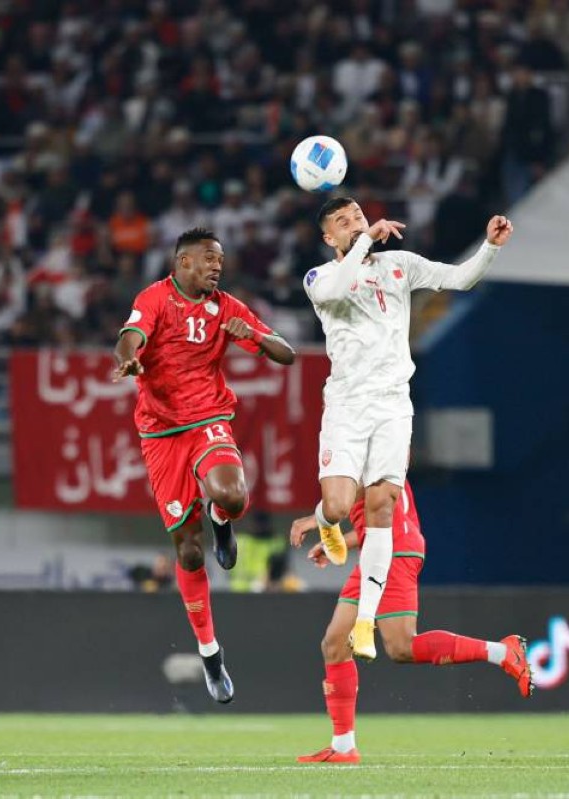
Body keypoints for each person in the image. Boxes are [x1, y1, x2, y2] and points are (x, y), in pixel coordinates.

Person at [304, 197, 512, 661]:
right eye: (343, 222)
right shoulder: (319, 277)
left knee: (381, 506)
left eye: (358, 216)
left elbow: (459, 278)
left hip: (394, 405)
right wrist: (363, 243)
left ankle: (364, 623)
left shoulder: (398, 264)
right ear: (329, 238)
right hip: (347, 406)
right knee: (338, 506)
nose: (355, 224)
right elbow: (338, 290)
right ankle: (325, 522)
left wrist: (490, 248)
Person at [114, 227, 295, 703]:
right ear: (183, 263)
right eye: (209, 259)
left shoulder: (227, 307)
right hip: (161, 433)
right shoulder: (155, 298)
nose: (217, 267)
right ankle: (211, 653)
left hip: (209, 419)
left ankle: (222, 518)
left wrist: (254, 334)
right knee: (189, 553)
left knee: (231, 495)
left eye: (220, 260)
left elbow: (287, 355)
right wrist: (130, 360)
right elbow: (130, 338)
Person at [289, 481, 532, 764]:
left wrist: (317, 520)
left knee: (402, 646)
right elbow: (374, 517)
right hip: (379, 548)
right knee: (335, 644)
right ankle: (343, 746)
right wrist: (337, 541)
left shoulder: (366, 455)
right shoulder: (378, 457)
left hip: (393, 550)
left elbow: (347, 497)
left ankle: (503, 652)